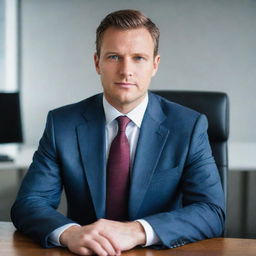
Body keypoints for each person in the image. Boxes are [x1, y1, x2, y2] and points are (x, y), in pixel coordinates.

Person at [11, 9, 225, 256]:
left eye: (138, 58)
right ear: (97, 62)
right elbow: (29, 203)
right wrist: (70, 233)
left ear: (155, 65)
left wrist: (136, 231)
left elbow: (211, 211)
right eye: (114, 57)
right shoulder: (62, 124)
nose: (126, 70)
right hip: (87, 252)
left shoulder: (188, 126)